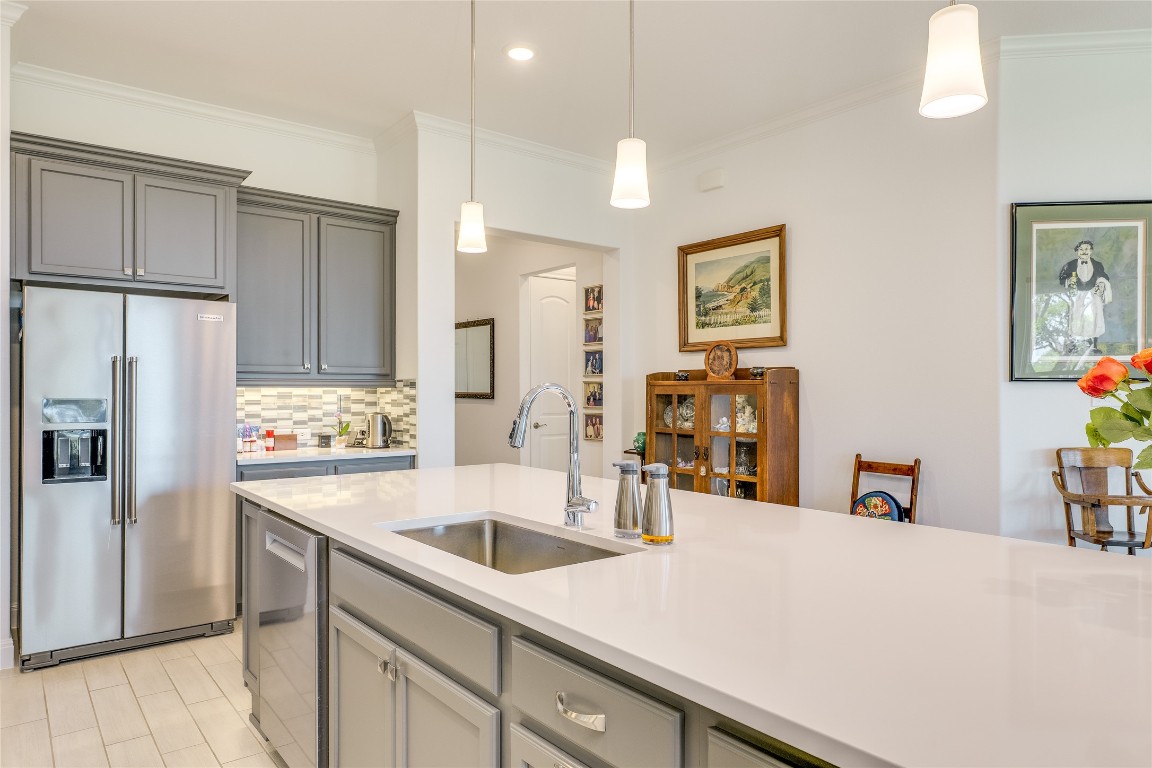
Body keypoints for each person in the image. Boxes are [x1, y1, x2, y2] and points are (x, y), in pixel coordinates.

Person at [1058, 240, 1112, 354]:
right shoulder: (1070, 265)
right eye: (1081, 249)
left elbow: (1104, 276)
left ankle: (1094, 345)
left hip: (1092, 296)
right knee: (1076, 318)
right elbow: (1061, 279)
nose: (1084, 252)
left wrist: (1101, 282)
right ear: (1077, 251)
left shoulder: (1097, 264)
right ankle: (1073, 344)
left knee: (1095, 318)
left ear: (1091, 251)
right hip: (1077, 295)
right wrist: (1068, 281)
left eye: (1087, 249)